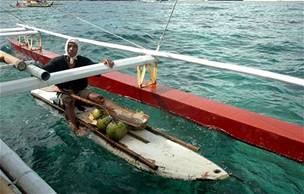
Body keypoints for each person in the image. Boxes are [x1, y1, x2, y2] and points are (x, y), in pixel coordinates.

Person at [43, 38, 114, 136]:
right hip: (65, 92)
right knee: (69, 101)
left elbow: (95, 68)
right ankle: (75, 127)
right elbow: (44, 70)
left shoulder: (83, 60)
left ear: (78, 49)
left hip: (80, 91)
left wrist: (104, 63)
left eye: (75, 46)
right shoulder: (57, 61)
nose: (71, 49)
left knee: (98, 98)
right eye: (69, 46)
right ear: (66, 47)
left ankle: (115, 114)